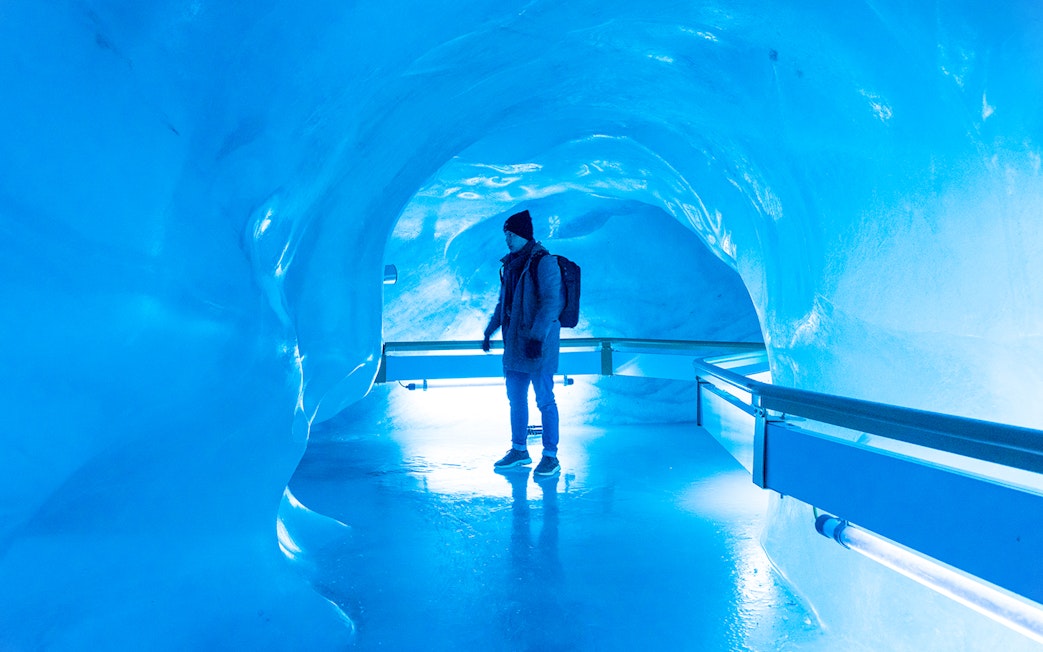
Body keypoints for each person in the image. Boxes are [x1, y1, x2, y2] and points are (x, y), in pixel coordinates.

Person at [482, 209, 564, 477]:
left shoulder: (544, 261)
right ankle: (519, 450)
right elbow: (503, 302)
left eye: (511, 234)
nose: (507, 239)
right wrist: (490, 330)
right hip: (516, 346)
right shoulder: (511, 264)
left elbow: (552, 303)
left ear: (524, 234)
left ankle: (550, 455)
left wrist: (537, 338)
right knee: (516, 399)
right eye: (505, 234)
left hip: (538, 346)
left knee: (544, 400)